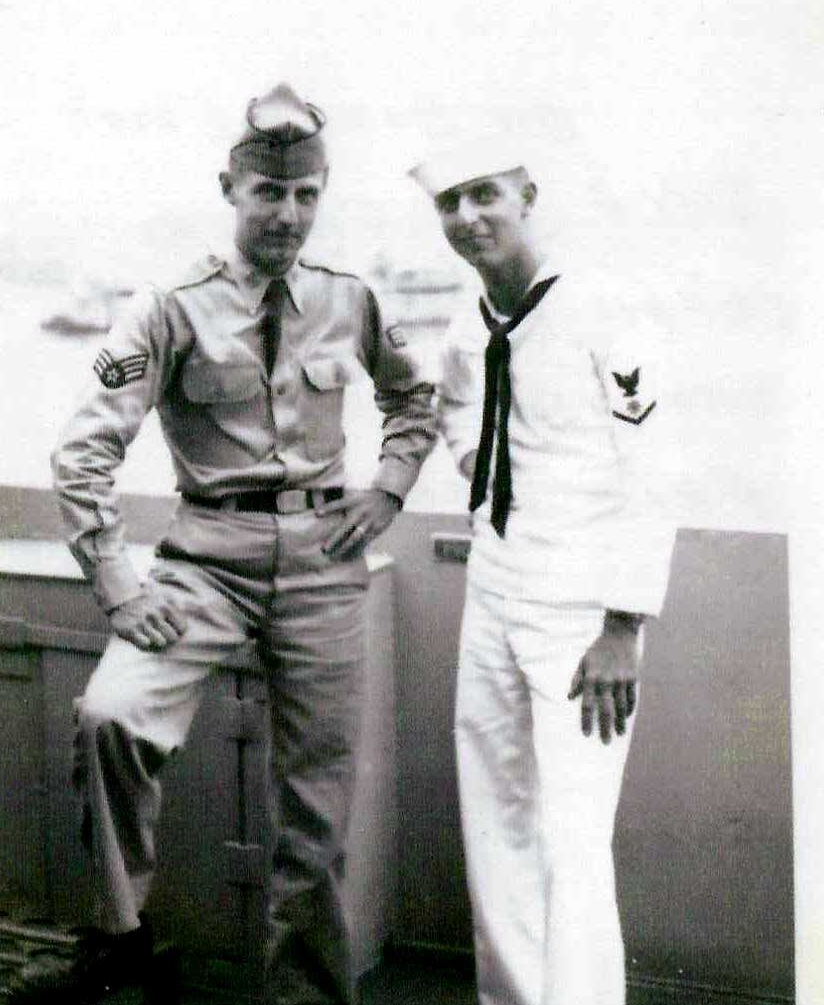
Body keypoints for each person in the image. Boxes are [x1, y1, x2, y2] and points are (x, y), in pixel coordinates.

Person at [12, 84, 437, 1005]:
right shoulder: (169, 309)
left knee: (315, 812)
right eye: (268, 193)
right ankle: (123, 939)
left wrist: (390, 487)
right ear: (231, 189)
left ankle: (307, 998)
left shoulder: (350, 298)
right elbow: (84, 449)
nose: (288, 214)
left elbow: (416, 399)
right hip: (204, 561)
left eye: (306, 195)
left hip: (326, 564)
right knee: (111, 715)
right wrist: (120, 586)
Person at [409, 137, 675, 1005]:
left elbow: (653, 465)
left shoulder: (604, 307)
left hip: (582, 616)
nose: (468, 216)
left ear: (527, 192)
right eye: (450, 201)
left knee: (572, 839)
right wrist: (486, 497)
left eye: (484, 193)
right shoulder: (464, 326)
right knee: (495, 824)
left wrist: (623, 625)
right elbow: (456, 411)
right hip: (494, 593)